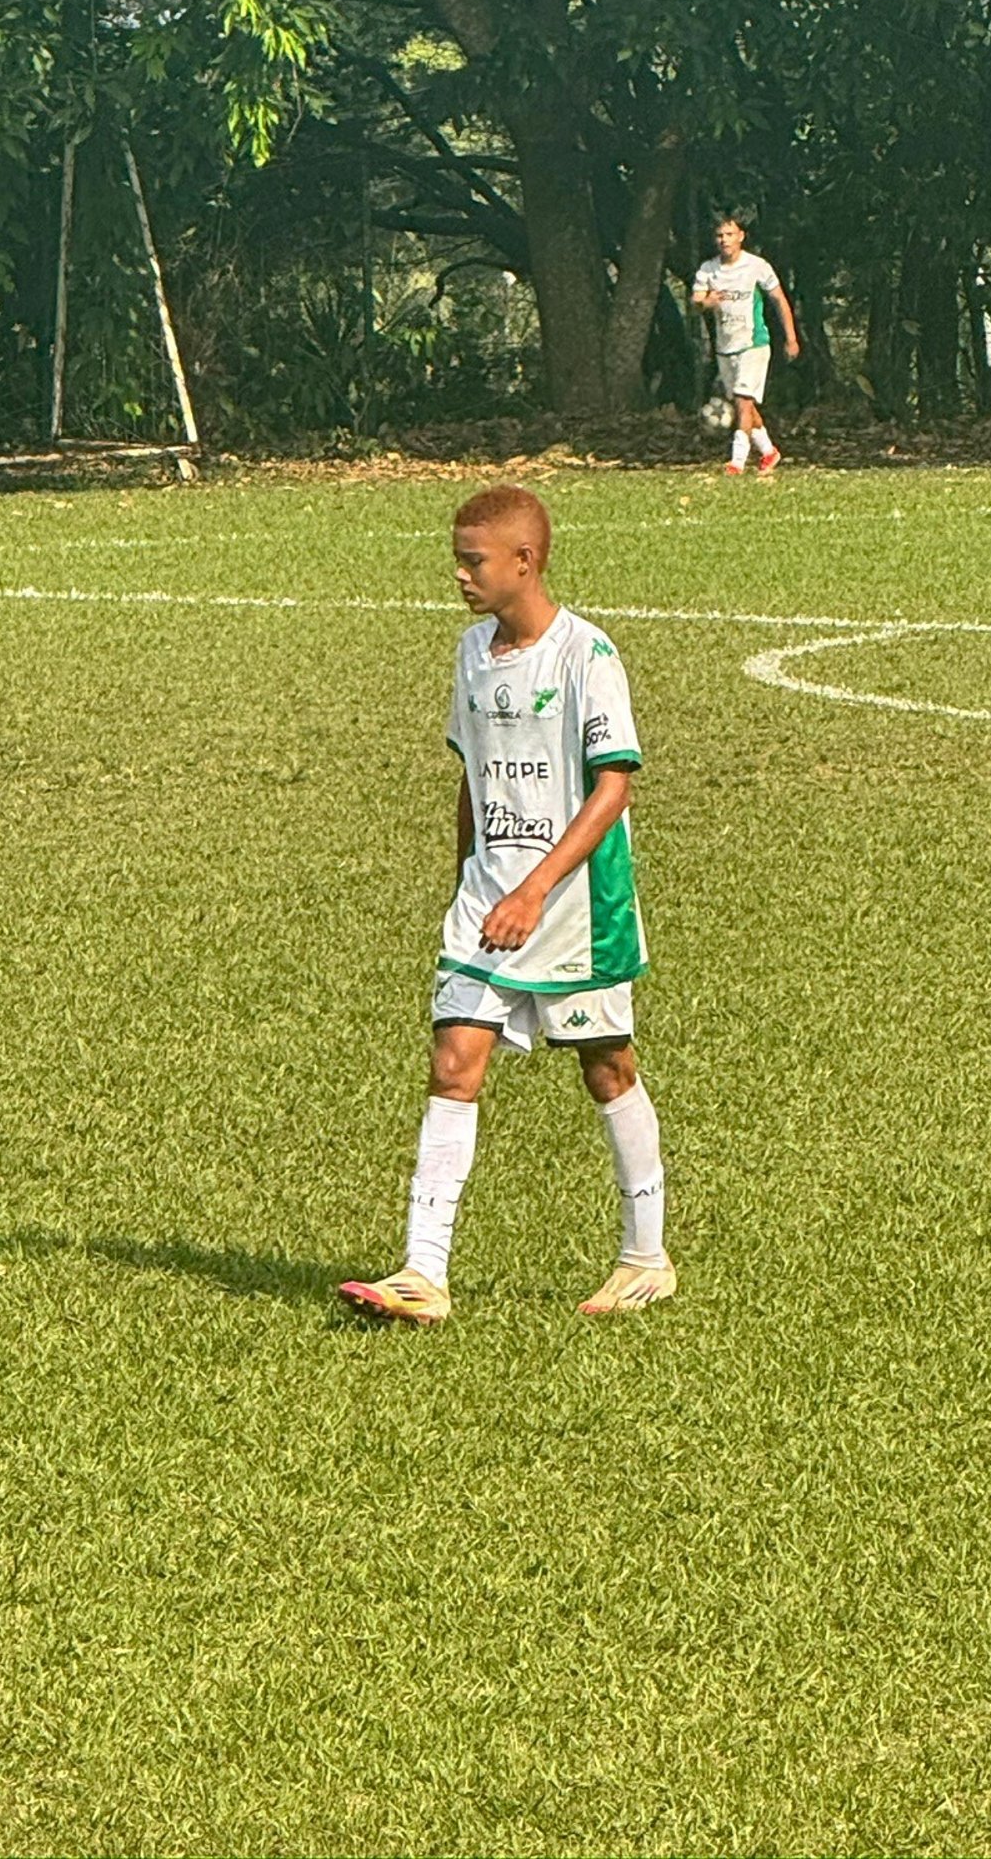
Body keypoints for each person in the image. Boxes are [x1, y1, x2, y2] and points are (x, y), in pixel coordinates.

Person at [337, 485, 672, 1326]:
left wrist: (533, 888)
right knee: (453, 1064)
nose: (458, 574)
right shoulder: (469, 655)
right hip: (487, 903)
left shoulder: (587, 656)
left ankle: (645, 1257)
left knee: (607, 1067)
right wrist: (469, 878)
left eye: (473, 559)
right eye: (456, 557)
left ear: (525, 561)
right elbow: (471, 773)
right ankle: (423, 1273)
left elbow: (613, 788)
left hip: (574, 907)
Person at [692, 214, 799, 474]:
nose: (724, 240)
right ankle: (769, 451)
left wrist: (791, 337)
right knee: (747, 405)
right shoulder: (708, 269)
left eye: (730, 234)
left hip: (754, 343)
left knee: (742, 399)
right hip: (725, 347)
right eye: (720, 235)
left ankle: (737, 461)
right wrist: (707, 303)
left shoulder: (757, 266)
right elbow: (695, 301)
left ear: (741, 236)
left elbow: (779, 300)